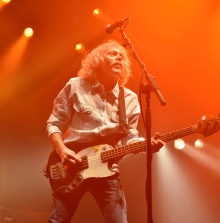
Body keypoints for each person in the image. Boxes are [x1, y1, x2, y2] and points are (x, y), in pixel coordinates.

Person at [46, 40, 164, 223]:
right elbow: (54, 123)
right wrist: (62, 150)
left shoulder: (130, 100)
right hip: (72, 164)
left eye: (122, 57)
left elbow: (130, 137)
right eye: (113, 54)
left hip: (107, 169)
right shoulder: (75, 86)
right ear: (98, 60)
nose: (119, 58)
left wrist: (145, 145)